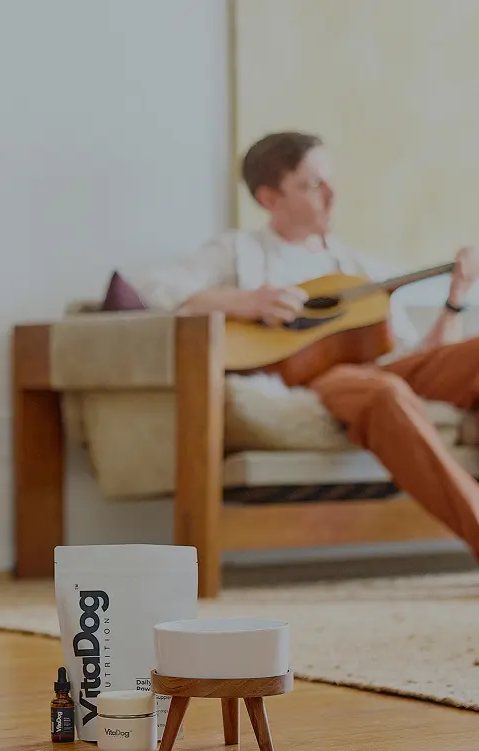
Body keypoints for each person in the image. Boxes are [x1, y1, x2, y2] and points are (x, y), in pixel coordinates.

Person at [123, 131, 479, 559]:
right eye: (313, 185)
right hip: (312, 380)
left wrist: (455, 298)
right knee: (387, 393)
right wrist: (247, 301)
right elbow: (152, 288)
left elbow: (419, 356)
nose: (332, 195)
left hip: (383, 367)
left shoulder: (356, 267)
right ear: (269, 198)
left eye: (330, 181)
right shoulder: (239, 250)